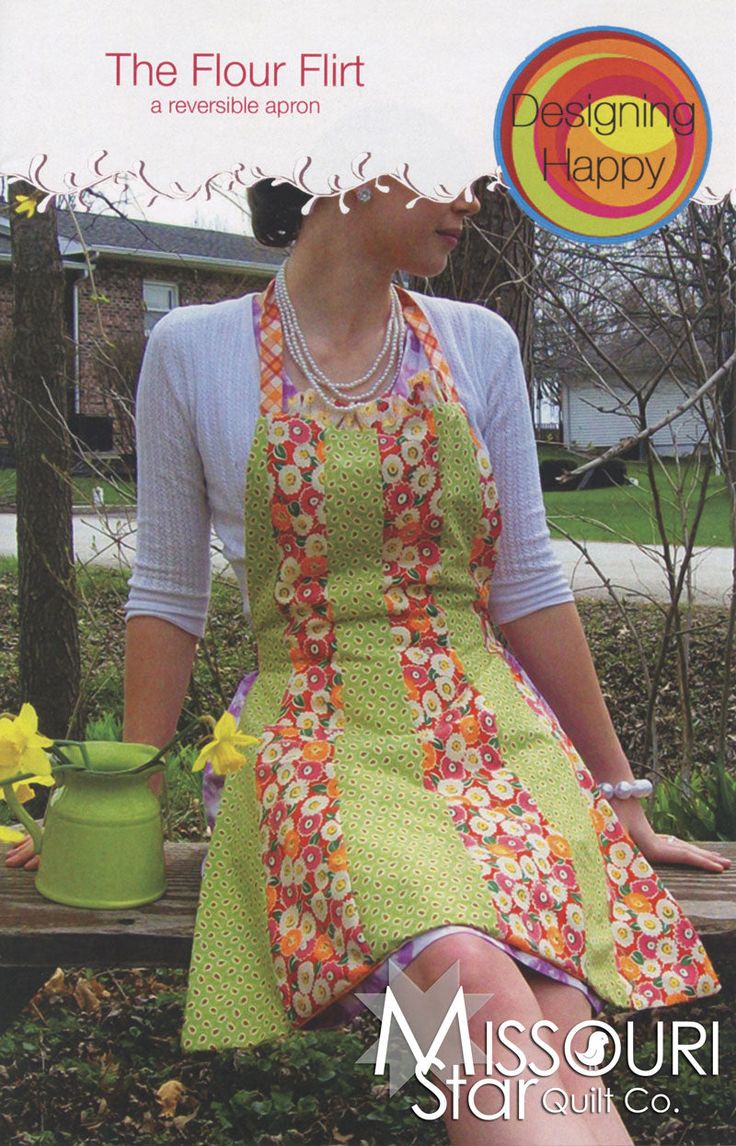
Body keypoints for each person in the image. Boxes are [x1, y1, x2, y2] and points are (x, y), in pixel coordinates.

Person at [6, 176, 730, 1144]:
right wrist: (117, 798)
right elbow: (167, 596)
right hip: (314, 746)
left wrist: (619, 792)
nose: (471, 201)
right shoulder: (194, 349)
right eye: (445, 175)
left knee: (555, 1003)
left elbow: (523, 582)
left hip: (495, 745)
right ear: (347, 169)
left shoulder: (477, 339)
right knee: (470, 979)